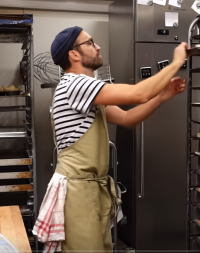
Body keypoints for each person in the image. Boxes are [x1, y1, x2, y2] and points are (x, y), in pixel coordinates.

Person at [34, 26, 188, 253]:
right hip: (78, 193)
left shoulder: (87, 92)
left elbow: (127, 118)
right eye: (90, 42)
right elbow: (138, 94)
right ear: (73, 54)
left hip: (92, 190)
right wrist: (175, 63)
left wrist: (162, 97)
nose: (97, 46)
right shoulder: (75, 84)